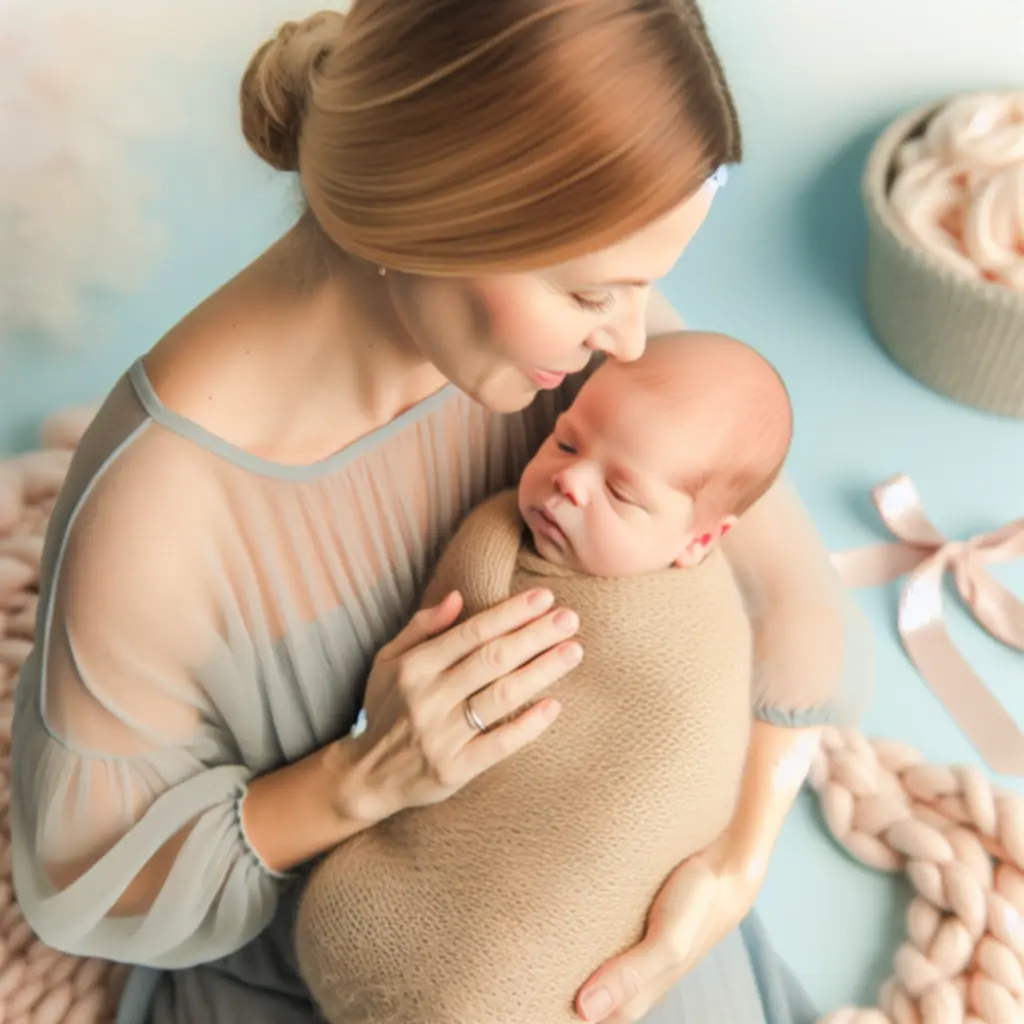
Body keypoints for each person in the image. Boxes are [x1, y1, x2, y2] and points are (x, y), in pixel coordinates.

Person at [9, 4, 872, 1024]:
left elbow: (795, 607)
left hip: (601, 894)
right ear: (439, 220)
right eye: (601, 290)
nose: (634, 338)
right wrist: (360, 776)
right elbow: (86, 880)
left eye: (648, 286)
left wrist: (728, 870)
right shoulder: (159, 513)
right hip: (355, 963)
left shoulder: (586, 359)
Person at [295, 330, 797, 1024]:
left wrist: (736, 865)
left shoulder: (705, 635)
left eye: (621, 492)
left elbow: (687, 765)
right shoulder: (498, 541)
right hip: (428, 897)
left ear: (700, 541)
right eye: (566, 442)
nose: (570, 480)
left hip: (537, 951)